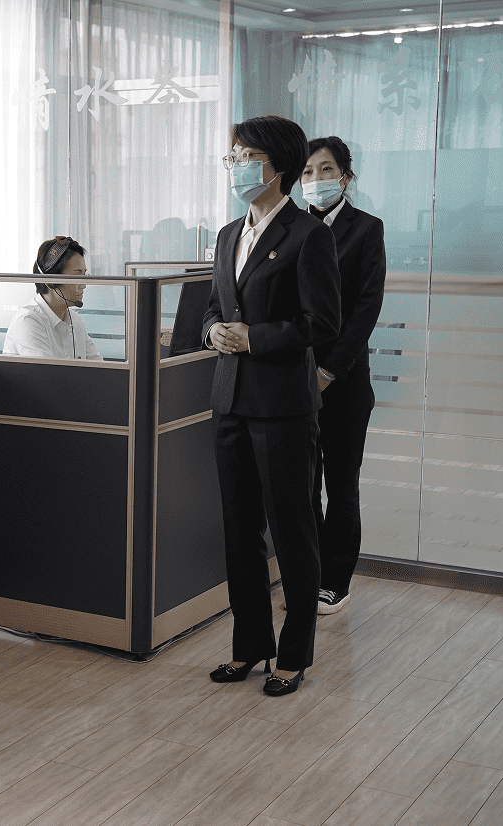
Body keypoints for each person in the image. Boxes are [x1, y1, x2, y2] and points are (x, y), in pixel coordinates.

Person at [202, 115, 341, 697]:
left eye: (246, 157)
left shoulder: (308, 235)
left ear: (277, 165)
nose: (236, 166)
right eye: (232, 157)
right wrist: (214, 331)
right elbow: (214, 307)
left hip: (282, 406)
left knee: (291, 530)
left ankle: (293, 654)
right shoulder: (227, 234)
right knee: (239, 532)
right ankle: (249, 646)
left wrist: (255, 338)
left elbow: (322, 323)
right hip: (230, 400)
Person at [301, 136, 387, 615]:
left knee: (340, 483)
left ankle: (336, 580)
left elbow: (366, 309)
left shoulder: (366, 229)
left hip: (344, 382)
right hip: (294, 380)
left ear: (346, 177)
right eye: (307, 172)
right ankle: (308, 574)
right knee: (303, 484)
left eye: (326, 169)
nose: (316, 179)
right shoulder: (292, 229)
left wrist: (328, 370)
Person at [3, 236, 102, 360]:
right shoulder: (28, 321)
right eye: (77, 276)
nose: (84, 285)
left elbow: (98, 365)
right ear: (51, 281)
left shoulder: (75, 320)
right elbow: (47, 372)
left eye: (84, 275)